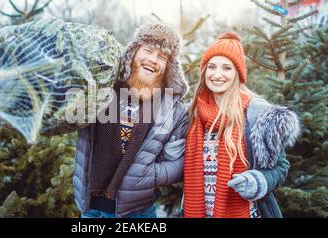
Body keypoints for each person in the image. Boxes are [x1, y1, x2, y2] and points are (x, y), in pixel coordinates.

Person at [73, 21, 189, 218]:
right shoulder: (104, 85)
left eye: (162, 57)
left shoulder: (172, 109)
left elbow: (177, 163)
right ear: (134, 51)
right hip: (91, 208)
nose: (153, 60)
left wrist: (145, 175)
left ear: (169, 65)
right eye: (148, 50)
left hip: (139, 212)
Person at [183, 32, 301, 218]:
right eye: (211, 67)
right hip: (199, 211)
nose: (217, 74)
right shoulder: (194, 113)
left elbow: (281, 167)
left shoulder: (257, 113)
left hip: (247, 212)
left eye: (226, 68)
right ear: (204, 71)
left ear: (237, 73)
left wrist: (258, 180)